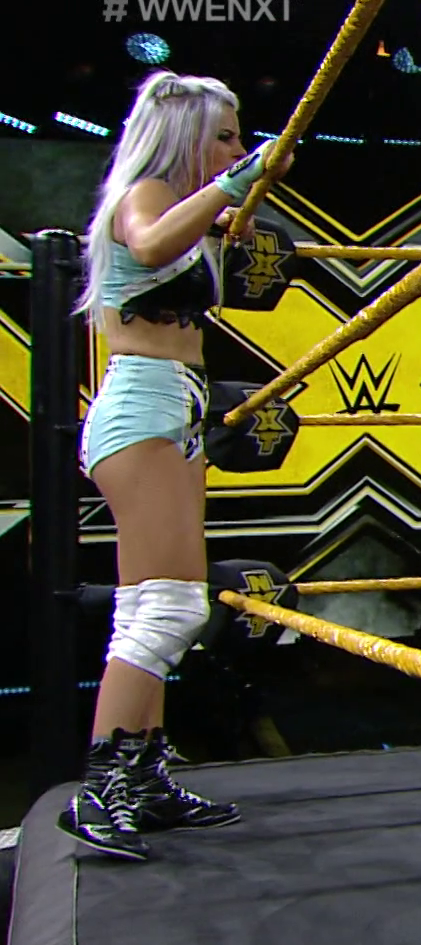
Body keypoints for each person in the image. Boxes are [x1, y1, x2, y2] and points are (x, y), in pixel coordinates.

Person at [58, 70, 289, 860]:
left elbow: (181, 246)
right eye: (223, 136)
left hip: (172, 408)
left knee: (151, 607)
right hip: (143, 408)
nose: (234, 148)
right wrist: (237, 181)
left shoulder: (186, 204)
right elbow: (152, 243)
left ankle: (143, 780)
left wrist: (233, 200)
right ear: (185, 137)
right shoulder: (146, 195)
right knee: (170, 610)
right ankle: (102, 786)